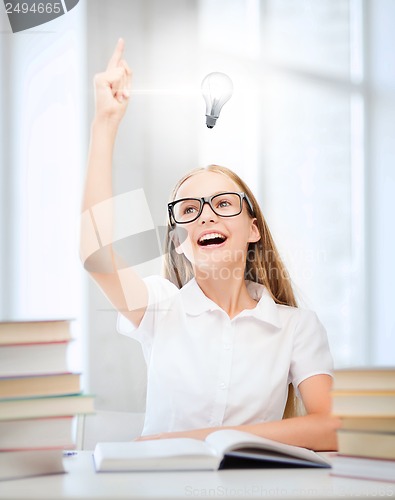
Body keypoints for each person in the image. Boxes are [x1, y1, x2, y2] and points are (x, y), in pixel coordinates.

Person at [81, 38, 341, 451]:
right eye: (188, 209)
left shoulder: (296, 327)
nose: (205, 215)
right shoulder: (160, 306)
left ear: (253, 229)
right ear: (179, 242)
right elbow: (96, 256)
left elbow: (330, 429)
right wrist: (105, 124)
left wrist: (194, 440)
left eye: (223, 203)